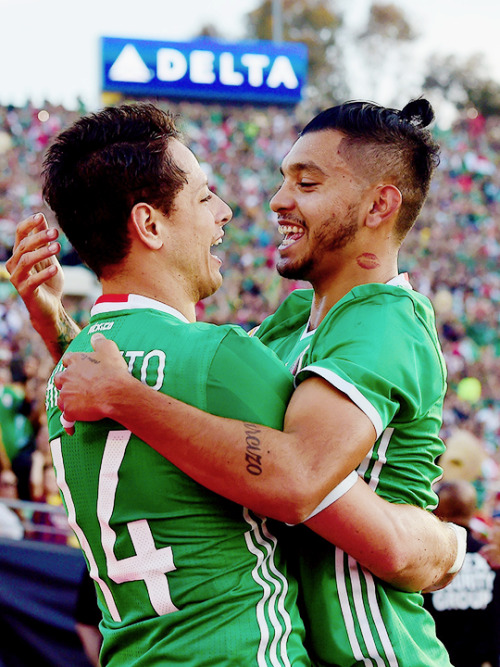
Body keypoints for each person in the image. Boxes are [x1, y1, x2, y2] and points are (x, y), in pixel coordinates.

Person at [7, 101, 464, 666]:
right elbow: (172, 383)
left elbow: (298, 479)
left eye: (308, 182)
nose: (276, 200)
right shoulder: (287, 325)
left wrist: (446, 547)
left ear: (379, 203)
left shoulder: (384, 319)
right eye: (282, 179)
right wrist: (68, 339)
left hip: (376, 652)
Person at [424, 480, 500, 667]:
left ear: (437, 510)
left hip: (436, 659)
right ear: (474, 510)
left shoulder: (426, 559)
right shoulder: (492, 559)